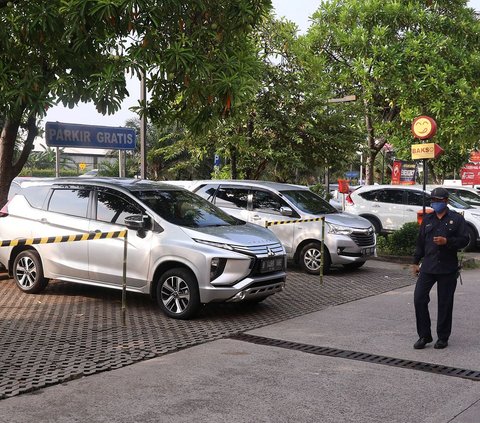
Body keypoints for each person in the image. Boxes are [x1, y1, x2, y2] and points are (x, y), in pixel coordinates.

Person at [412, 187, 469, 350]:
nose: (434, 203)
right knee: (419, 299)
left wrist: (447, 242)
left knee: (445, 303)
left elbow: (464, 240)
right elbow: (420, 242)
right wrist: (415, 262)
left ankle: (443, 337)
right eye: (432, 200)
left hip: (447, 268)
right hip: (428, 267)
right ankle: (424, 335)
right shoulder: (428, 219)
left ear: (445, 201)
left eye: (437, 201)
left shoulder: (456, 219)